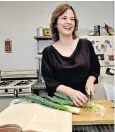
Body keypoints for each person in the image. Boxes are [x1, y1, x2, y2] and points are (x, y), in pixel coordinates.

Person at [41, 4, 100, 107]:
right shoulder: (48, 52)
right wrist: (71, 92)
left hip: (84, 103)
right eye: (64, 18)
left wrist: (90, 82)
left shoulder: (86, 45)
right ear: (55, 23)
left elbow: (94, 69)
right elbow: (49, 81)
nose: (68, 22)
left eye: (72, 19)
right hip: (59, 105)